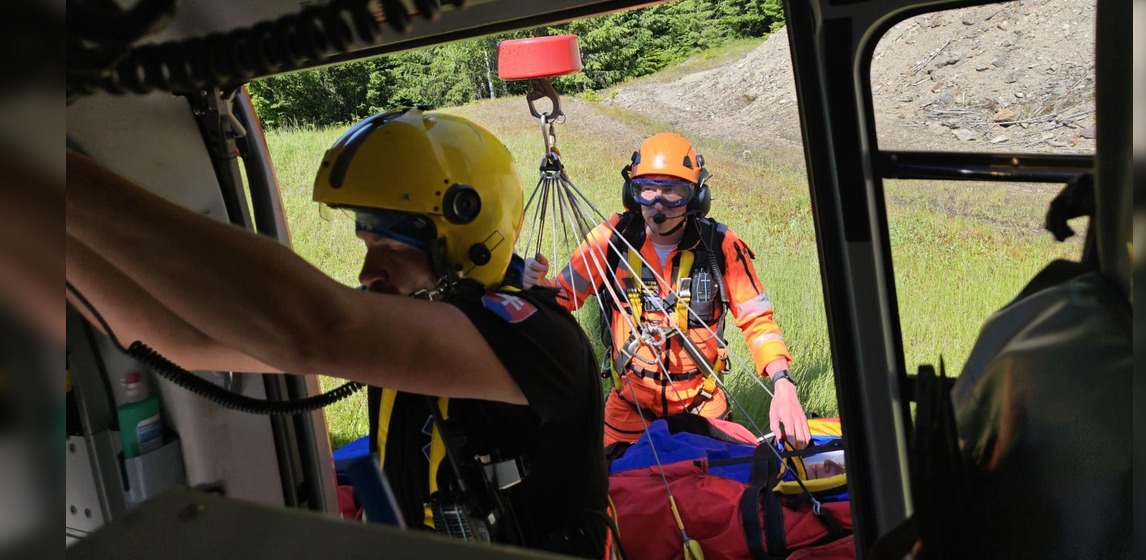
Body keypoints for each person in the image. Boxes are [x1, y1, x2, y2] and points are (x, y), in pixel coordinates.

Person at [65, 109, 608, 557]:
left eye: (393, 249)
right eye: (368, 247)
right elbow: (170, 340)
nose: (367, 274)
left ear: (471, 236)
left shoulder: (536, 338)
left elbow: (314, 327)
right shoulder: (405, 331)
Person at [524, 132, 812, 449]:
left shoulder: (720, 247)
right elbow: (562, 295)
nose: (657, 204)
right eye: (646, 189)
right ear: (631, 192)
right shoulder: (612, 240)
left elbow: (757, 320)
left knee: (712, 494)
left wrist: (782, 382)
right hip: (627, 415)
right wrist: (535, 286)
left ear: (695, 197)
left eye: (672, 191)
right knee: (617, 495)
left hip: (702, 410)